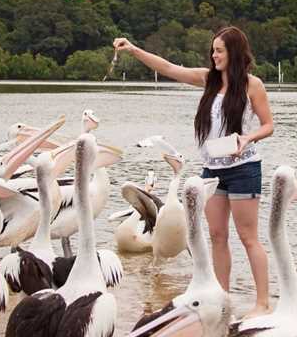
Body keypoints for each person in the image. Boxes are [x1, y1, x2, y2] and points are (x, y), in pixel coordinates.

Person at [113, 27, 274, 318]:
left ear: (235, 52)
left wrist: (247, 138)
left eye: (220, 50)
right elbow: (168, 67)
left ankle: (262, 303)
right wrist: (134, 49)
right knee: (216, 235)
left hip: (244, 168)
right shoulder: (207, 79)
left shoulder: (253, 85)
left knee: (248, 237)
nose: (214, 55)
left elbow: (268, 125)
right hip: (212, 168)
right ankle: (222, 298)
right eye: (213, 50)